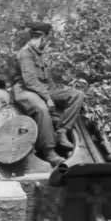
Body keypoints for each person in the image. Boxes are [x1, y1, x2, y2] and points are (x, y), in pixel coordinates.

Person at [12, 21, 84, 166]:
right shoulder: (25, 53)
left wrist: (59, 93)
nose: (47, 43)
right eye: (46, 39)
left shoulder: (39, 54)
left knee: (77, 95)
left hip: (41, 88)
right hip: (25, 90)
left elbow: (48, 81)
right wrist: (48, 98)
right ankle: (49, 151)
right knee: (42, 109)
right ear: (42, 38)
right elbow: (30, 81)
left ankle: (62, 131)